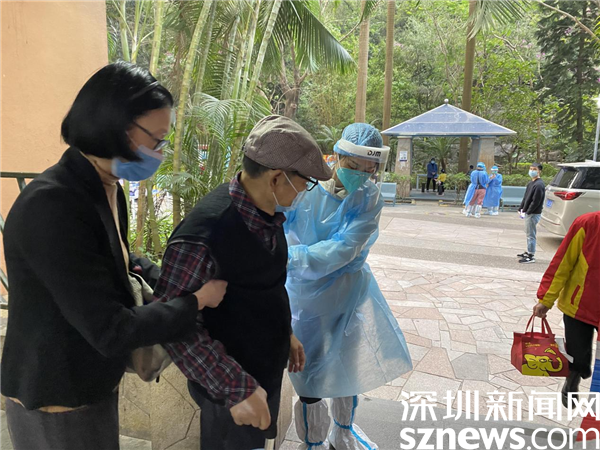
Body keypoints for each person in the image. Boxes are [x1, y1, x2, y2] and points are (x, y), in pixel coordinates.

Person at [1, 62, 227, 450]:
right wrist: (195, 301)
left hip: (92, 379)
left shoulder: (104, 185)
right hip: (58, 393)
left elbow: (119, 259)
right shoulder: (52, 205)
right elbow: (110, 330)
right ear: (116, 127)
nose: (160, 152)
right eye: (156, 140)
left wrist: (171, 279)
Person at [152, 115, 332, 450]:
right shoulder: (205, 233)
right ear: (276, 177)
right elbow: (174, 325)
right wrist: (236, 388)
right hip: (229, 387)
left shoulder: (266, 213)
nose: (305, 192)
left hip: (262, 369)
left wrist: (286, 333)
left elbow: (268, 284)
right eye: (305, 183)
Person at [285, 123, 412, 450]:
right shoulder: (305, 187)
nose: (360, 176)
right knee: (307, 373)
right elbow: (281, 226)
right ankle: (312, 442)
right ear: (337, 156)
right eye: (353, 166)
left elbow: (346, 247)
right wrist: (286, 256)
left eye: (368, 170)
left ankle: (342, 432)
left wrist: (291, 257)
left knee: (346, 367)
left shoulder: (369, 197)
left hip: (347, 293)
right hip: (303, 297)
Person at [532, 212, 600, 408]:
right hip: (579, 305)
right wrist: (546, 299)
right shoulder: (587, 223)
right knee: (577, 353)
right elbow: (563, 262)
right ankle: (572, 382)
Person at [517, 163, 545, 264]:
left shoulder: (539, 185)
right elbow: (526, 197)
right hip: (529, 212)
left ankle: (531, 255)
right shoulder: (531, 183)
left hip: (533, 213)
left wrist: (528, 211)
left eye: (534, 169)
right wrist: (521, 208)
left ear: (539, 171)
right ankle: (529, 251)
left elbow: (535, 201)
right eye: (531, 169)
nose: (532, 171)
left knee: (530, 234)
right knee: (528, 232)